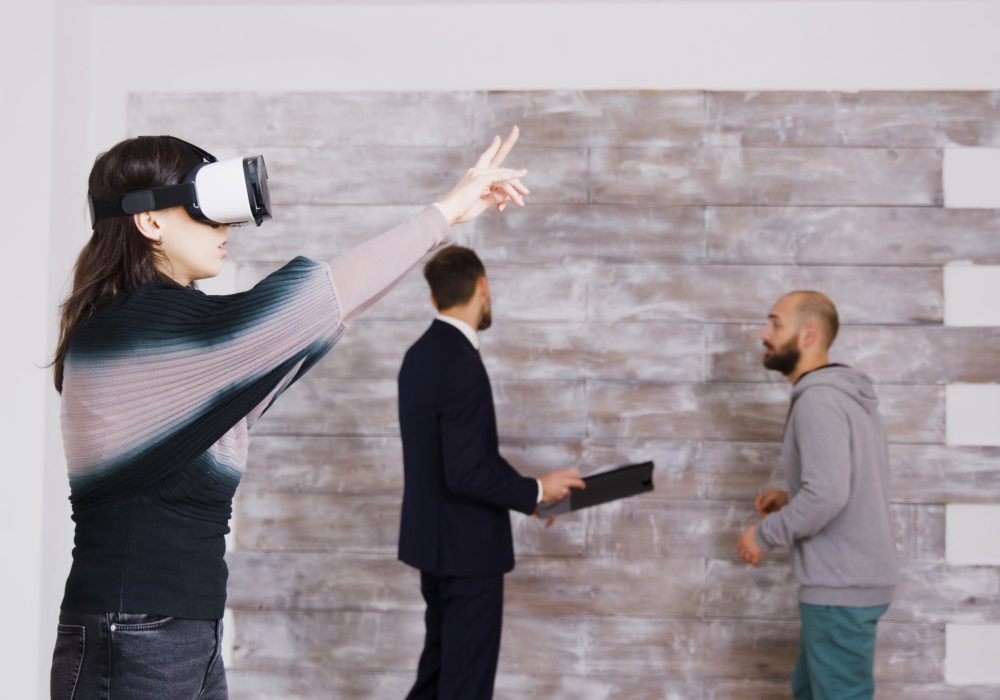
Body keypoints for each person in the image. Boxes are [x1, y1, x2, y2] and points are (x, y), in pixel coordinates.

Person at [50, 128, 529, 699]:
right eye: (202, 212)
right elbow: (323, 299)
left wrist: (443, 222)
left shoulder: (175, 335)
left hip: (174, 632)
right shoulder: (139, 333)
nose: (223, 228)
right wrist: (446, 212)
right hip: (133, 638)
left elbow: (323, 316)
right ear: (149, 223)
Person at [397, 245, 584, 700]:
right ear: (482, 286)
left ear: (433, 297)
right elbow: (466, 470)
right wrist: (536, 487)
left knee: (437, 679)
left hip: (436, 549)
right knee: (464, 688)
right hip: (469, 553)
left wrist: (532, 496)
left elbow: (467, 455)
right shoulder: (462, 362)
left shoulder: (419, 356)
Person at [737, 290, 899, 700]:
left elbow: (827, 495)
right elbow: (848, 485)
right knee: (810, 691)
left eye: (775, 323)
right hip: (850, 582)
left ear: (808, 336)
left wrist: (764, 534)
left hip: (840, 586)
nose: (764, 333)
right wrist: (792, 498)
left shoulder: (819, 401)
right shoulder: (842, 395)